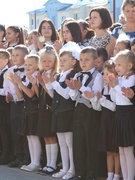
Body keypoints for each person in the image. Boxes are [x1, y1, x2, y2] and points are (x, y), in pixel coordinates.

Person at [45, 42, 81, 179]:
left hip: (68, 112)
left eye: (65, 60)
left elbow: (67, 95)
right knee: (62, 142)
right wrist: (48, 84)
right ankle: (65, 168)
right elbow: (55, 95)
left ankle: (72, 169)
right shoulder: (60, 75)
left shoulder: (74, 74)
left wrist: (53, 83)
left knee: (70, 143)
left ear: (73, 62)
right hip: (58, 111)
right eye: (60, 60)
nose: (61, 63)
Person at [66, 46, 103, 180]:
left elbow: (95, 96)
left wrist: (80, 87)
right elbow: (74, 97)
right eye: (81, 60)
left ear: (95, 60)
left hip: (91, 112)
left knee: (90, 142)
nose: (83, 62)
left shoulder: (98, 76)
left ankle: (92, 173)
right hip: (79, 110)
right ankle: (80, 172)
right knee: (79, 142)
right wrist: (72, 89)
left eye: (87, 60)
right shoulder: (77, 75)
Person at [10, 54, 41, 172]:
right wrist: (15, 84)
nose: (27, 66)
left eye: (31, 64)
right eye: (26, 64)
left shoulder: (36, 77)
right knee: (29, 137)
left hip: (34, 110)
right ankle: (32, 161)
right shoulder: (26, 77)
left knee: (34, 136)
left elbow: (31, 94)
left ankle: (36, 162)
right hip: (26, 109)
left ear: (37, 65)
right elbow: (20, 96)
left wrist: (20, 83)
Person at [109, 50, 135, 180]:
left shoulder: (133, 79)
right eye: (115, 65)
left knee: (128, 150)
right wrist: (113, 86)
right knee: (121, 150)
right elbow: (115, 99)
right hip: (119, 114)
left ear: (129, 66)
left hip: (128, 115)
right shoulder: (119, 79)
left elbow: (127, 98)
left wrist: (116, 87)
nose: (116, 68)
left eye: (119, 65)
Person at [3, 45, 29, 168]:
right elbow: (7, 86)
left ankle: (26, 157)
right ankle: (18, 156)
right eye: (13, 55)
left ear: (25, 56)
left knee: (24, 131)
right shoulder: (10, 70)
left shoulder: (28, 69)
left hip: (24, 104)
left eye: (17, 55)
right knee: (15, 131)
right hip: (14, 104)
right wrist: (9, 95)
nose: (14, 57)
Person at [36, 46, 59, 175]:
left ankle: (53, 164)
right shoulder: (42, 73)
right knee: (46, 137)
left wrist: (44, 84)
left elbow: (53, 95)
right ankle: (48, 163)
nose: (46, 64)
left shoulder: (55, 74)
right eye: (44, 61)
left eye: (49, 61)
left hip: (51, 109)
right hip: (43, 109)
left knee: (52, 137)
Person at [96, 60, 120, 180]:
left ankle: (117, 175)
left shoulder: (116, 89)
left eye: (107, 74)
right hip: (105, 122)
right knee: (108, 151)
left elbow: (115, 107)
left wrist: (102, 100)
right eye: (103, 74)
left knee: (116, 152)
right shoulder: (105, 88)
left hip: (114, 122)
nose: (104, 77)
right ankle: (109, 175)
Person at [0, 49, 11, 165]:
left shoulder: (7, 72)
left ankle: (6, 155)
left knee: (4, 131)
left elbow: (6, 90)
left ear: (6, 60)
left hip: (4, 107)